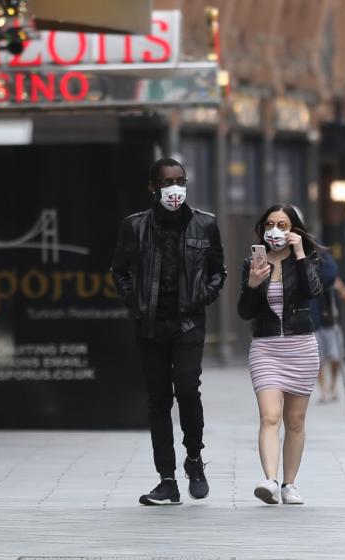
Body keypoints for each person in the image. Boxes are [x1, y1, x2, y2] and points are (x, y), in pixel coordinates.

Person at [111, 157, 227, 506]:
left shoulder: (205, 225)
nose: (174, 189)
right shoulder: (135, 226)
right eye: (166, 182)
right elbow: (120, 271)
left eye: (180, 181)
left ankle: (194, 457)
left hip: (189, 324)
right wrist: (137, 302)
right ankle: (166, 480)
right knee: (158, 401)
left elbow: (217, 271)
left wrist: (203, 296)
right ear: (153, 187)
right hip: (150, 326)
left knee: (188, 390)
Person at [238, 204, 323, 505]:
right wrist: (252, 284)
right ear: (262, 229)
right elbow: (244, 312)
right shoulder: (254, 261)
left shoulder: (308, 258)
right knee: (269, 416)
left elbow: (313, 292)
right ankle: (270, 481)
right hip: (266, 348)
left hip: (301, 347)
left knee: (295, 421)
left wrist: (300, 255)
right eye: (271, 224)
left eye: (283, 225)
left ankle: (290, 484)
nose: (276, 230)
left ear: (294, 230)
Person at [311, 249, 345, 403]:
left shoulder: (332, 278)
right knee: (318, 360)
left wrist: (339, 287)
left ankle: (333, 385)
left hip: (331, 324)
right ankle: (323, 390)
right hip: (316, 325)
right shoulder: (310, 278)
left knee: (336, 357)